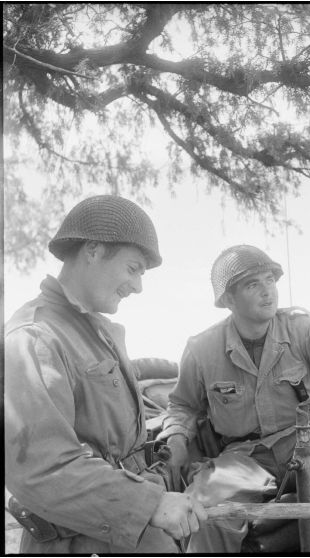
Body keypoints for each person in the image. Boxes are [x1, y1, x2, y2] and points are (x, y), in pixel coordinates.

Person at [158, 244, 310, 553]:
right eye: (253, 284)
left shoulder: (301, 329)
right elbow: (182, 405)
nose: (268, 291)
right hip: (246, 459)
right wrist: (176, 438)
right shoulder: (202, 349)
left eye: (270, 280)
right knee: (207, 509)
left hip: (305, 439)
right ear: (228, 299)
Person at [5, 195, 207, 554]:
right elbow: (41, 467)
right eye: (133, 268)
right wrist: (148, 504)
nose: (139, 286)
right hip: (79, 539)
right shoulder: (36, 337)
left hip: (127, 528)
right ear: (94, 250)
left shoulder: (96, 333)